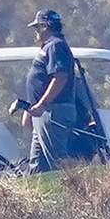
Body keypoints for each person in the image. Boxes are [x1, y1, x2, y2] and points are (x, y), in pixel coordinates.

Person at [22, 9, 76, 173]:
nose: (36, 32)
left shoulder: (56, 46)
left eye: (37, 27)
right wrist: (32, 107)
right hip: (43, 112)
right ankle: (38, 196)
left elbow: (60, 77)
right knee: (37, 165)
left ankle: (69, 194)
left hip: (53, 111)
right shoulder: (49, 46)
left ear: (45, 26)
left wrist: (42, 104)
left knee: (56, 162)